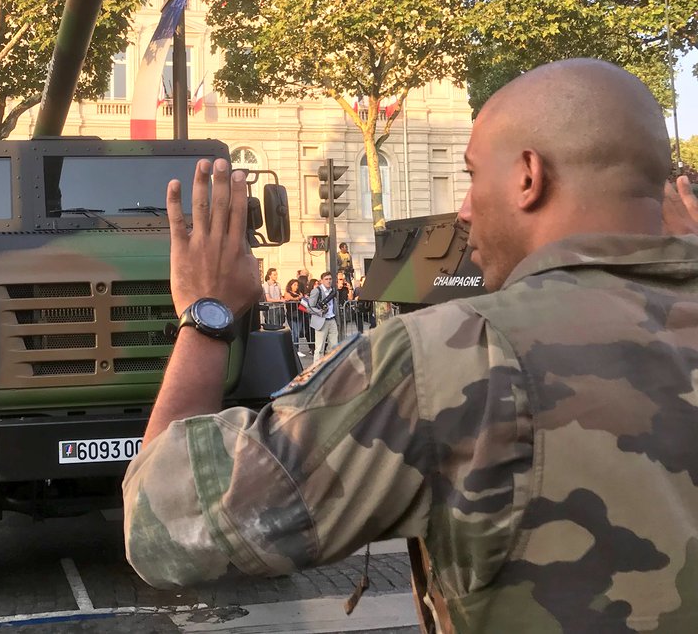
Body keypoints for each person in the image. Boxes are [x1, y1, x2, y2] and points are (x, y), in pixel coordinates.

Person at [122, 59, 698, 631]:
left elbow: (162, 525)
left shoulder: (452, 356)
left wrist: (207, 316)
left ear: (529, 177)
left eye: (473, 176)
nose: (464, 210)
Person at [305, 270, 339, 360]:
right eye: (326, 279)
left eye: (330, 279)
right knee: (319, 348)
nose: (329, 281)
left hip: (332, 319)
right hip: (321, 320)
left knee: (334, 345)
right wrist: (320, 312)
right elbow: (309, 307)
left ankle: (329, 363)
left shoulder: (333, 291)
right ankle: (317, 366)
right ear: (322, 281)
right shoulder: (316, 291)